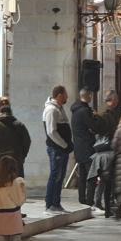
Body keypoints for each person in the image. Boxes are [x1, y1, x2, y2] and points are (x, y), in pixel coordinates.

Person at [43, 85, 73, 215]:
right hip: (56, 149)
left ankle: (56, 203)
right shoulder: (51, 110)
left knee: (60, 176)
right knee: (55, 175)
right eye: (65, 95)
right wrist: (64, 145)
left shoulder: (59, 109)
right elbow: (51, 132)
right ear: (59, 95)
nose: (67, 97)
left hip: (61, 149)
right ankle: (50, 204)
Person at [71, 88, 101, 206]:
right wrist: (96, 117)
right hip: (87, 147)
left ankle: (82, 198)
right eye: (90, 95)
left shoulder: (75, 110)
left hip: (78, 147)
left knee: (82, 175)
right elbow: (94, 127)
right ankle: (89, 200)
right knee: (91, 175)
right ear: (88, 96)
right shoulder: (85, 111)